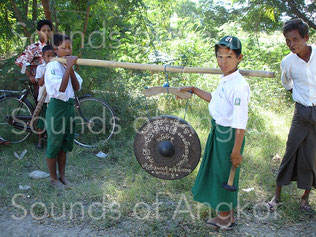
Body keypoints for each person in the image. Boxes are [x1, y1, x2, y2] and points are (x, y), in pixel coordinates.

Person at [179, 36, 250, 230]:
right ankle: (228, 215)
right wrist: (193, 89)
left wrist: (236, 151)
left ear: (239, 58)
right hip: (219, 132)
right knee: (220, 173)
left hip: (229, 137)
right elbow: (214, 99)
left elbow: (240, 123)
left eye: (228, 57)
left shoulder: (239, 86)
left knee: (224, 175)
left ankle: (224, 218)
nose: (223, 62)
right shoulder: (226, 80)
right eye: (219, 56)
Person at [267, 19, 316, 212]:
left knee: (312, 156)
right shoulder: (287, 62)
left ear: (306, 37)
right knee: (290, 151)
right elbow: (286, 82)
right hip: (301, 112)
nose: (291, 44)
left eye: (295, 39)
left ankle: (305, 198)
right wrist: (297, 95)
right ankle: (277, 196)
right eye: (287, 40)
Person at [44, 34, 82, 189]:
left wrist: (70, 68)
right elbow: (60, 88)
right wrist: (68, 67)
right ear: (55, 49)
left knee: (65, 143)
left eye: (69, 47)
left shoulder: (66, 65)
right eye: (63, 48)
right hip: (57, 108)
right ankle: (53, 179)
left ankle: (63, 176)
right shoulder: (52, 66)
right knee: (54, 143)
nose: (67, 50)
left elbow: (77, 87)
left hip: (68, 107)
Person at [15, 19, 53, 101]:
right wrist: (30, 75)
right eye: (43, 30)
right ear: (38, 32)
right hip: (39, 83)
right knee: (39, 106)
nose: (46, 33)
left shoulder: (54, 47)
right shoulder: (34, 48)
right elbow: (20, 61)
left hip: (51, 81)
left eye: (48, 30)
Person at [34, 45, 55, 149]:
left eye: (52, 55)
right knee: (42, 121)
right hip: (43, 99)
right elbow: (40, 83)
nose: (50, 58)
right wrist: (47, 69)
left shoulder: (56, 66)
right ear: (43, 57)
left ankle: (51, 142)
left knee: (52, 122)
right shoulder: (41, 68)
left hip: (52, 99)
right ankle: (40, 141)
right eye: (48, 56)